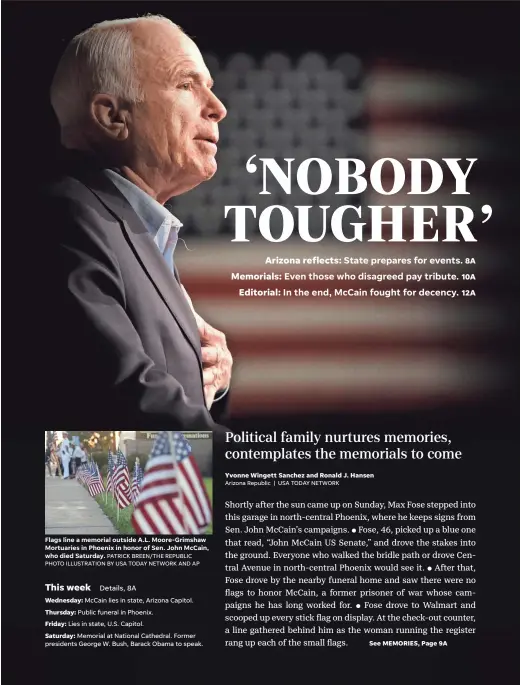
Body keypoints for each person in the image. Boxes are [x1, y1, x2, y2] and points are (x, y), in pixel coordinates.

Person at [38, 16, 232, 432]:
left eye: (210, 88)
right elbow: (118, 410)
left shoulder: (134, 225)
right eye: (186, 84)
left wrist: (209, 381)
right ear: (112, 116)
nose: (218, 108)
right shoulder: (67, 218)